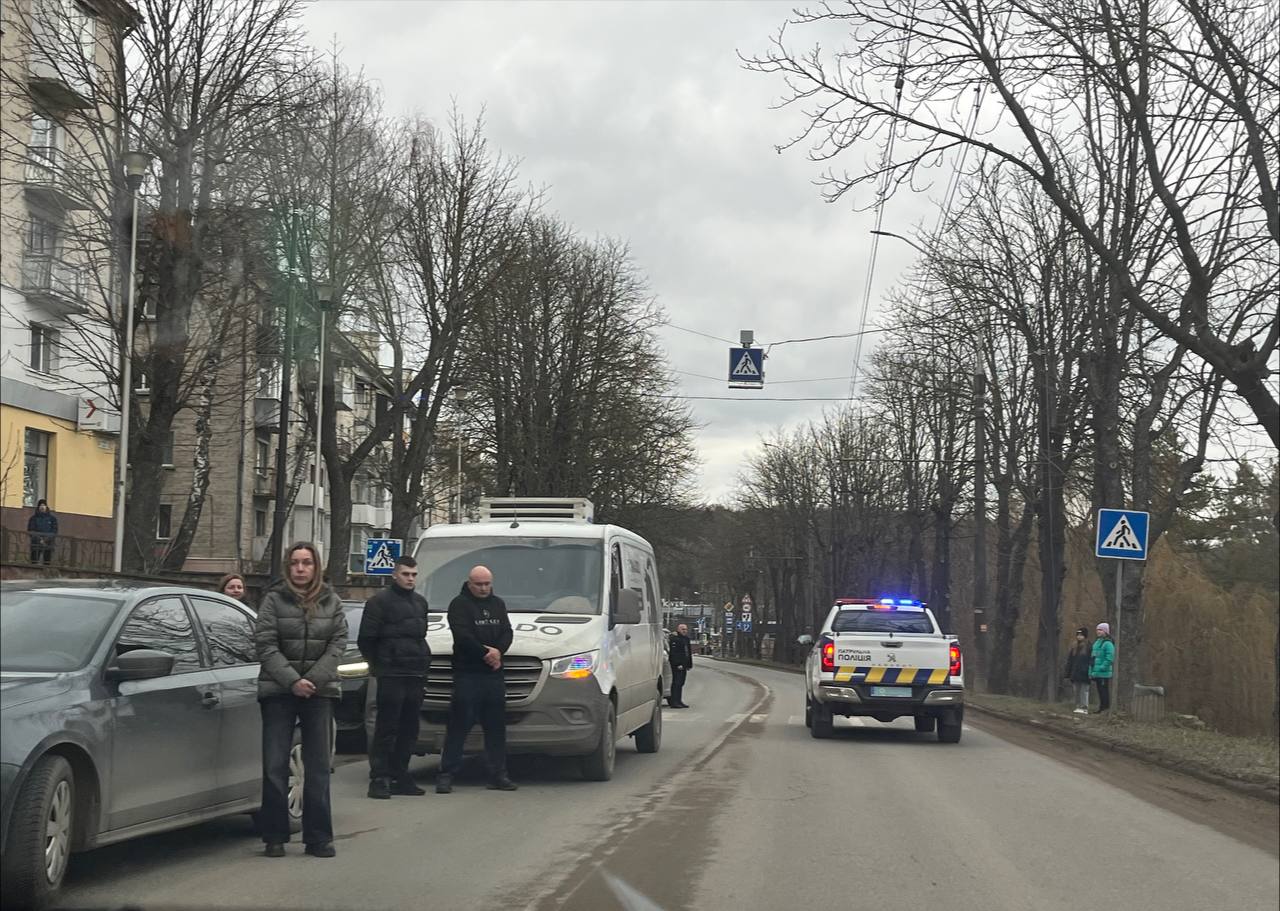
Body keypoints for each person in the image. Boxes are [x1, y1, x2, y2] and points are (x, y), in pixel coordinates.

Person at [253, 542, 347, 858]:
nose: (301, 568)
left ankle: (318, 838)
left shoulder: (331, 601)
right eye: (295, 563)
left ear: (316, 566)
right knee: (275, 765)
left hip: (320, 692)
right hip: (279, 692)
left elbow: (337, 644)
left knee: (318, 767)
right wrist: (293, 681)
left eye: (307, 562)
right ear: (288, 566)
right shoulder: (272, 600)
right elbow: (265, 645)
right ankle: (274, 836)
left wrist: (313, 681)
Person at [436, 565, 516, 794]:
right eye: (479, 584)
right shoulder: (459, 605)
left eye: (487, 584)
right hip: (467, 674)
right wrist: (485, 653)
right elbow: (462, 636)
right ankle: (446, 773)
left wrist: (498, 651)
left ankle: (498, 774)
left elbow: (507, 632)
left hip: (493, 675)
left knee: (495, 727)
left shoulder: (498, 604)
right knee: (459, 725)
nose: (483, 588)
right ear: (469, 583)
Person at [359, 555, 431, 799]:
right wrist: (379, 666)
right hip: (391, 674)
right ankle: (379, 778)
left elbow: (420, 635)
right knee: (386, 728)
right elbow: (366, 639)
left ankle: (401, 775)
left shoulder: (420, 603)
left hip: (415, 673)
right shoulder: (379, 602)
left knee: (409, 729)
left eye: (413, 574)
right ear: (395, 574)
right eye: (405, 574)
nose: (410, 579)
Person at [1063, 627, 1092, 714]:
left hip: (1085, 673)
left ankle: (1084, 707)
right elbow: (1070, 661)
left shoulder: (1089, 646)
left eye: (1081, 635)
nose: (1079, 637)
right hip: (1075, 673)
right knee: (1076, 691)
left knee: (1084, 691)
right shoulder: (1074, 647)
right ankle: (1078, 705)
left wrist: (1089, 670)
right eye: (1078, 635)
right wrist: (1067, 673)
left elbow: (1091, 660)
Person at [1091, 622, 1116, 714]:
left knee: (1104, 691)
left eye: (1100, 630)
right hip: (1096, 671)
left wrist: (1102, 667)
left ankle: (1105, 708)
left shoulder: (1108, 643)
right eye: (1097, 630)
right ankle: (1101, 707)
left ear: (1105, 631)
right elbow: (1093, 656)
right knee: (1100, 691)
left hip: (1103, 672)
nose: (1098, 632)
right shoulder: (1097, 642)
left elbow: (1110, 657)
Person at [668, 623, 694, 708]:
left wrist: (689, 664)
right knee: (676, 683)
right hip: (677, 665)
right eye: (683, 629)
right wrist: (677, 664)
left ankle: (679, 701)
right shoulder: (675, 639)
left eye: (685, 629)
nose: (684, 631)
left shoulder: (686, 639)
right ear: (678, 629)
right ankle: (674, 702)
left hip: (684, 664)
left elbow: (688, 653)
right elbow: (674, 653)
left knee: (681, 683)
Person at [27, 499, 57, 564]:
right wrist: (39, 539)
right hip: (36, 543)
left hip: (48, 543)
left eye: (44, 505)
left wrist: (45, 539)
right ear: (38, 507)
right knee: (34, 562)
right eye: (41, 505)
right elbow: (31, 530)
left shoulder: (52, 519)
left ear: (46, 507)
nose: (42, 507)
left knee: (47, 562)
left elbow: (54, 531)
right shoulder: (33, 518)